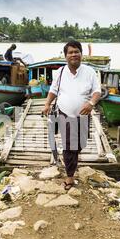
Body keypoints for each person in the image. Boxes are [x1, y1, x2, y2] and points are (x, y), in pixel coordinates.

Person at [42, 40, 102, 190]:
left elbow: (97, 92)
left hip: (83, 116)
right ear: (65, 56)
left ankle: (72, 161)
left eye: (76, 52)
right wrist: (47, 104)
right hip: (64, 114)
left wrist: (91, 104)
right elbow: (53, 90)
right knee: (69, 146)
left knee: (80, 144)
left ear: (81, 54)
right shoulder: (60, 72)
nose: (74, 55)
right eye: (70, 52)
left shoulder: (89, 71)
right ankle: (69, 178)